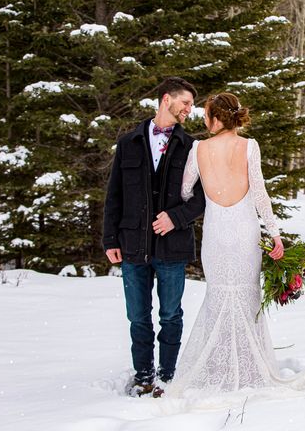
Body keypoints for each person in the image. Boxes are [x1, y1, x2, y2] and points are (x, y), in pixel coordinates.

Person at [165, 92, 288, 399]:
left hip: (217, 234)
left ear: (217, 119)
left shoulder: (198, 149)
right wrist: (274, 233)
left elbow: (184, 190)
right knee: (247, 298)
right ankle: (248, 369)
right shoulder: (249, 146)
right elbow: (259, 194)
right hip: (244, 233)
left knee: (218, 297)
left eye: (207, 115)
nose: (204, 120)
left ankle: (217, 369)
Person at [102, 76, 206, 397]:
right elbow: (114, 195)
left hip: (172, 248)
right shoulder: (128, 142)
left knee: (171, 315)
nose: (190, 109)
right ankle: (144, 376)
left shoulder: (192, 148)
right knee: (138, 317)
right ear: (166, 100)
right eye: (185, 102)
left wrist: (176, 217)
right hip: (132, 245)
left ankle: (167, 377)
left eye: (191, 104)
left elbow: (204, 197)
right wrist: (110, 240)